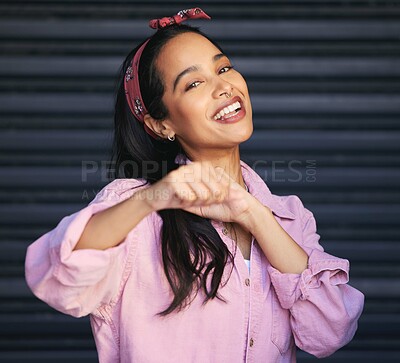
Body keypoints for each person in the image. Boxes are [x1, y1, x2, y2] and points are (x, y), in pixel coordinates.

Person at [25, 8, 364, 363]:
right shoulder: (137, 211)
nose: (224, 87)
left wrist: (254, 215)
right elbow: (58, 275)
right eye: (194, 83)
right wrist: (154, 198)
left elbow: (331, 331)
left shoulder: (289, 216)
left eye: (223, 68)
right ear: (161, 125)